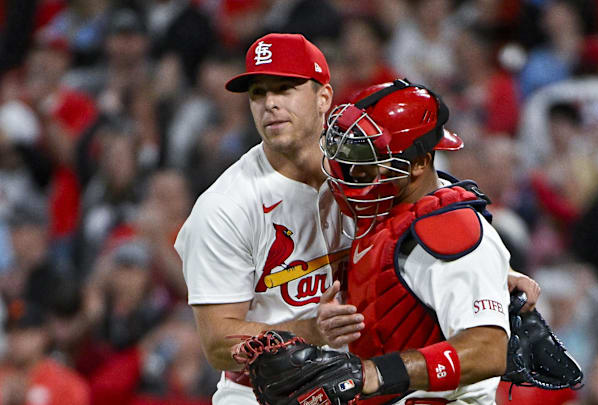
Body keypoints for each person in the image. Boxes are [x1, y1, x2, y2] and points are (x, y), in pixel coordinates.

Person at [175, 33, 540, 405]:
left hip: (369, 381)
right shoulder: (225, 208)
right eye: (258, 92)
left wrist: (487, 273)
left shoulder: (371, 167)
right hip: (269, 393)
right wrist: (308, 331)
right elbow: (218, 343)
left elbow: (427, 216)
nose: (270, 104)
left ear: (324, 98)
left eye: (285, 88)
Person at [318, 79, 514, 404]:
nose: (350, 172)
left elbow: (488, 350)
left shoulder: (452, 230)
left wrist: (377, 373)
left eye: (367, 161)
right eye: (350, 155)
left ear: (419, 164)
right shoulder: (387, 215)